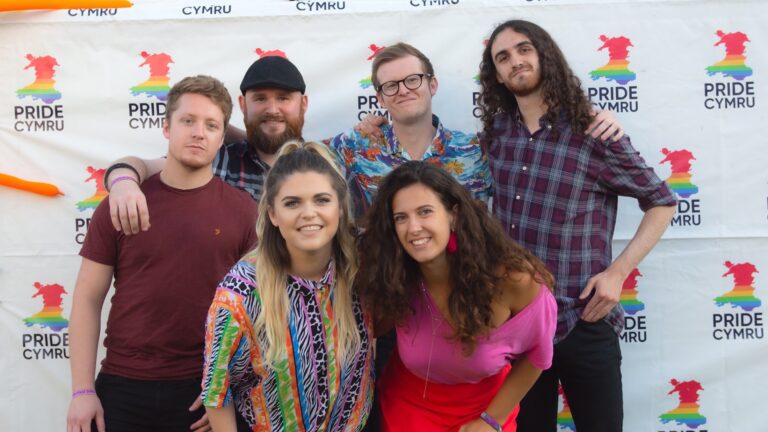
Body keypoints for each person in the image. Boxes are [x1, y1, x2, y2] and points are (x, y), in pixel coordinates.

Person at [478, 20, 677, 431]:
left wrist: (618, 273)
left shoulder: (594, 131)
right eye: (503, 57)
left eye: (523, 49)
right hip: (519, 324)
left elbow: (662, 201)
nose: (515, 61)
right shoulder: (495, 134)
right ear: (496, 75)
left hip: (583, 318)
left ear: (544, 55)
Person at [66, 75, 257, 432]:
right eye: (188, 121)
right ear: (167, 127)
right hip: (122, 388)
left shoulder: (245, 212)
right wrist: (82, 390)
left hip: (201, 392)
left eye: (211, 125)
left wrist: (225, 388)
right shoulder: (122, 203)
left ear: (221, 138)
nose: (199, 132)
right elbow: (88, 299)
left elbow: (259, 313)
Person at [358, 161, 557, 431]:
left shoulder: (512, 279)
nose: (413, 227)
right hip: (408, 407)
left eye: (425, 212)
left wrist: (491, 421)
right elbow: (368, 328)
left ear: (453, 215)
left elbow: (538, 356)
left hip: (487, 410)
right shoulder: (397, 275)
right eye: (401, 218)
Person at [201, 141, 374, 431]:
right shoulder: (240, 294)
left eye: (321, 200)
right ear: (273, 214)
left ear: (340, 208)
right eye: (292, 203)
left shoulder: (363, 269)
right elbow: (216, 391)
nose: (309, 213)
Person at [105, 55, 308, 234]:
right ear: (243, 104)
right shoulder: (218, 158)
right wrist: (123, 183)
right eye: (260, 98)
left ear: (303, 103)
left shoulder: (325, 163)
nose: (272, 109)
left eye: (284, 98)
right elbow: (144, 166)